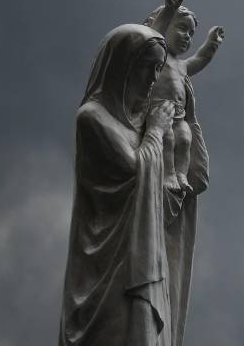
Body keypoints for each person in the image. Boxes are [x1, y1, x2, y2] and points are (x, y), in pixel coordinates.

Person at [59, 24, 178, 346]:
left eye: (157, 68)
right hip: (108, 264)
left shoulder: (140, 126)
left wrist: (169, 143)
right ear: (122, 67)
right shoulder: (93, 118)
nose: (153, 78)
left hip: (141, 253)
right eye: (145, 67)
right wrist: (155, 131)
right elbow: (133, 169)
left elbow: (160, 196)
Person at [143, 0, 225, 197]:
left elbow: (200, 59)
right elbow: (151, 37)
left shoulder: (181, 66)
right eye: (181, 28)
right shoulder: (156, 57)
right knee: (168, 139)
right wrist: (169, 10)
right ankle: (168, 174)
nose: (186, 37)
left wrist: (212, 43)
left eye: (190, 34)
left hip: (179, 114)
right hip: (159, 111)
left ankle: (181, 175)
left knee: (185, 139)